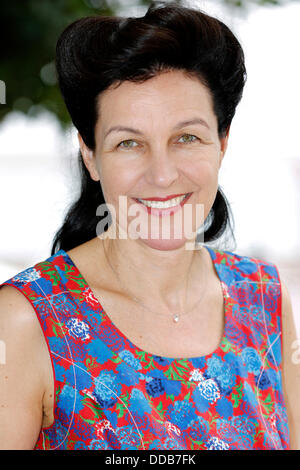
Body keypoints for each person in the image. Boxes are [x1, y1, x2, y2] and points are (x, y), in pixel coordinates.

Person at [0, 1, 299, 451]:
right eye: (128, 143)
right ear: (90, 155)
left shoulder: (265, 298)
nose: (162, 175)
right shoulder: (26, 322)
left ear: (222, 142)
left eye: (186, 138)